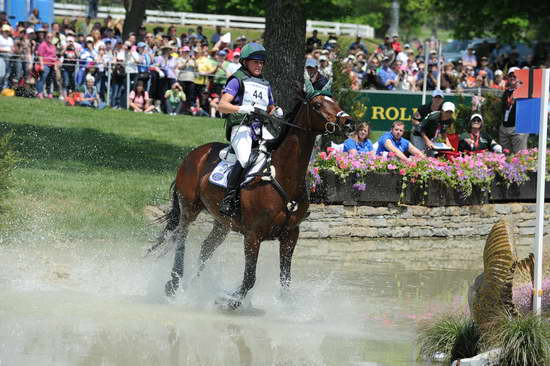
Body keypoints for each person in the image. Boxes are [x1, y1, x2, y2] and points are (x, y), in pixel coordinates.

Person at [217, 42, 283, 217]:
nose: (259, 65)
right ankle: (229, 198)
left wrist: (275, 111)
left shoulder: (265, 84)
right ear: (245, 62)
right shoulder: (236, 79)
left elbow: (269, 107)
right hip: (241, 127)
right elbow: (222, 105)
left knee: (277, 155)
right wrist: (241, 109)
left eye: (262, 62)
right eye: (255, 61)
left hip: (260, 128)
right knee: (246, 159)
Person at [499, 67, 528, 153]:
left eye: (515, 75)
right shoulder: (506, 92)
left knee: (520, 158)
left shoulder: (524, 91)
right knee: (506, 157)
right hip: (505, 128)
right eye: (510, 75)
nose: (512, 77)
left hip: (518, 128)